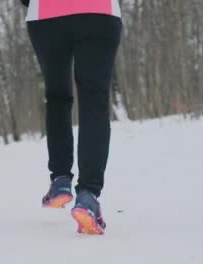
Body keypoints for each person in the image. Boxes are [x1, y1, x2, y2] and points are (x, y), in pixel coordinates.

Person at [21, 0, 122, 235]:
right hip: (99, 12)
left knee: (57, 97)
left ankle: (60, 179)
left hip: (46, 16)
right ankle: (87, 195)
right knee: (94, 103)